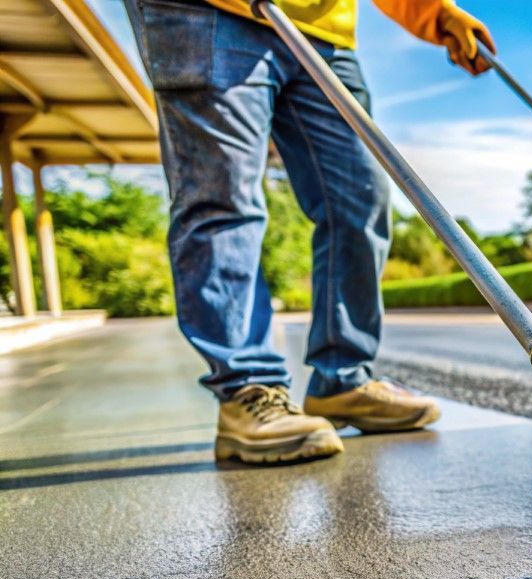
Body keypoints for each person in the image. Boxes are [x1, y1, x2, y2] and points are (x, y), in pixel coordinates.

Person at [121, 0, 496, 464]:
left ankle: (344, 378)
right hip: (206, 12)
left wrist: (436, 12)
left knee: (359, 197)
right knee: (223, 196)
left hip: (321, 29)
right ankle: (248, 390)